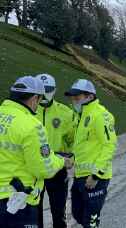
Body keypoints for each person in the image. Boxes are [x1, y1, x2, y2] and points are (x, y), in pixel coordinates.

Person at [0, 76, 73, 227]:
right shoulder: (32, 125)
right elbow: (43, 169)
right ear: (34, 98)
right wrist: (61, 161)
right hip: (19, 201)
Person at [65, 79, 117, 228]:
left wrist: (96, 175)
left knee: (91, 220)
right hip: (80, 175)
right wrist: (72, 159)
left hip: (95, 178)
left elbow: (109, 145)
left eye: (77, 97)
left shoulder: (101, 115)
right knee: (77, 213)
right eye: (72, 98)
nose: (74, 101)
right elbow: (83, 145)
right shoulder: (80, 116)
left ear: (90, 97)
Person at [35, 74, 77, 228]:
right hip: (34, 166)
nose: (46, 93)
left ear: (55, 90)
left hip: (58, 165)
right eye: (42, 89)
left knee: (58, 210)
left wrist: (72, 157)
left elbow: (73, 140)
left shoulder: (65, 112)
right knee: (34, 210)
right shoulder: (29, 111)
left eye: (49, 89)